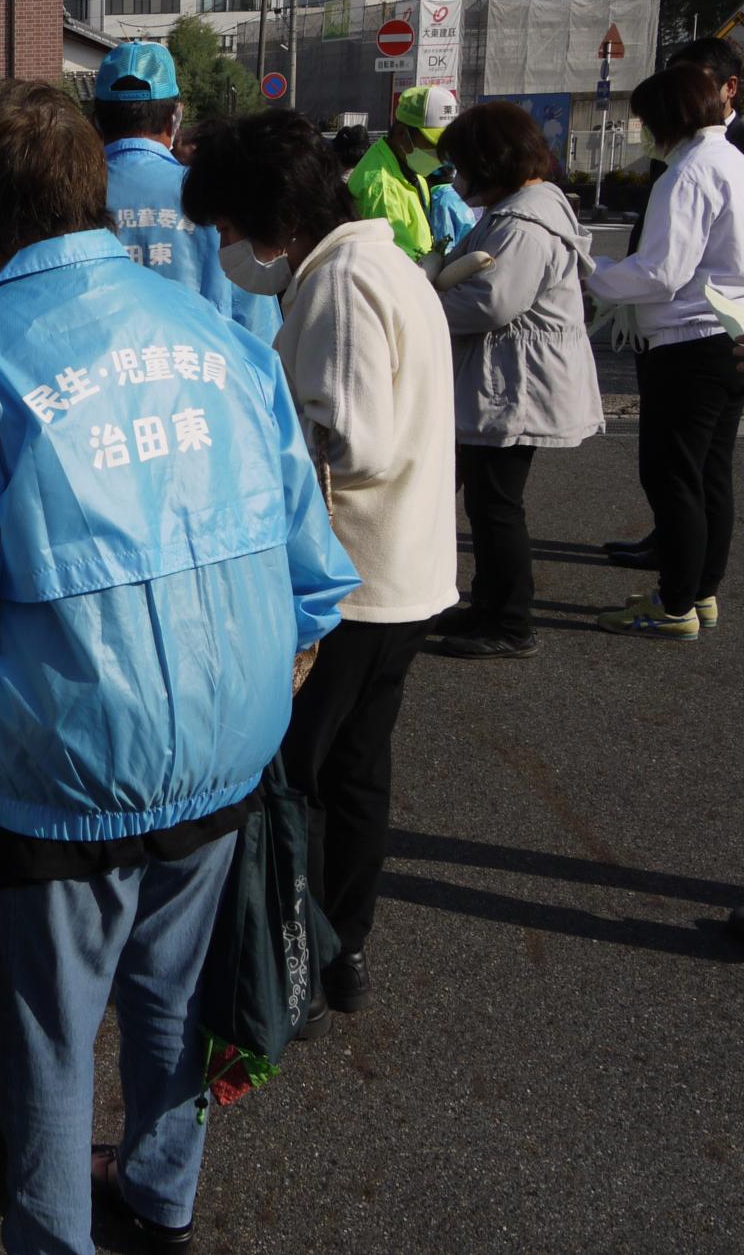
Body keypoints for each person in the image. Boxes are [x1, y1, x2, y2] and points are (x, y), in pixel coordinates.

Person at [0, 81, 359, 1255]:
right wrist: (274, 666)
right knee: (172, 992)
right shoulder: (217, 338)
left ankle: (51, 1233)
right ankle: (161, 1194)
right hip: (226, 736)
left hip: (66, 754)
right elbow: (312, 559)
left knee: (45, 1025)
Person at [184, 110, 456, 1028]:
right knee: (358, 769)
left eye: (228, 226)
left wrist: (262, 459)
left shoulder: (339, 281)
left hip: (350, 580)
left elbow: (353, 438)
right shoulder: (385, 263)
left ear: (271, 216)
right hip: (406, 571)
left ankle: (292, 953)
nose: (228, 248)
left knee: (298, 776)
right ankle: (345, 944)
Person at [423, 102, 603, 660]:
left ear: (489, 160)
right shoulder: (521, 207)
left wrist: (421, 303)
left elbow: (491, 303)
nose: (457, 178)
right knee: (488, 502)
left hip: (515, 385)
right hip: (508, 379)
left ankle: (510, 622)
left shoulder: (522, 223)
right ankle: (490, 603)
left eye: (461, 164)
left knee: (497, 505)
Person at [587, 62, 744, 640]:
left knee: (672, 477)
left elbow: (661, 273)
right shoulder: (732, 160)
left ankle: (673, 604)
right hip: (728, 337)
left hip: (684, 341)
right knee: (710, 477)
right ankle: (698, 592)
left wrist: (594, 272)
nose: (646, 131)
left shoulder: (688, 173)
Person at [93, 41, 281, 344]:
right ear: (174, 118)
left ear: (97, 121)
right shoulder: (217, 195)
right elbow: (260, 331)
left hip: (97, 383)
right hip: (203, 380)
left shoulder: (68, 200)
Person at [348, 85, 458, 260]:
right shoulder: (382, 188)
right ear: (401, 134)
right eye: (435, 146)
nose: (441, 156)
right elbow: (396, 261)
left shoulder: (408, 166)